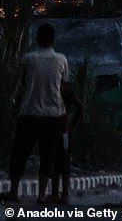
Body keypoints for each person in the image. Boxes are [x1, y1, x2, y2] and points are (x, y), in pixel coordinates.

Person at [2, 24, 69, 204]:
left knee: (19, 153)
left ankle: (13, 191)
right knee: (48, 155)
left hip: (30, 112)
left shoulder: (28, 59)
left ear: (37, 39)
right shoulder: (61, 60)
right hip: (53, 114)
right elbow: (63, 86)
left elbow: (21, 82)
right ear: (53, 40)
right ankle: (42, 194)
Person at [51, 85, 83, 204]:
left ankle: (61, 193)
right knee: (60, 160)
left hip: (60, 129)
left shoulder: (59, 91)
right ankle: (61, 194)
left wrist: (72, 124)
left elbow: (79, 106)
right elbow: (79, 106)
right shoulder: (63, 91)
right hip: (61, 130)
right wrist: (72, 124)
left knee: (60, 160)